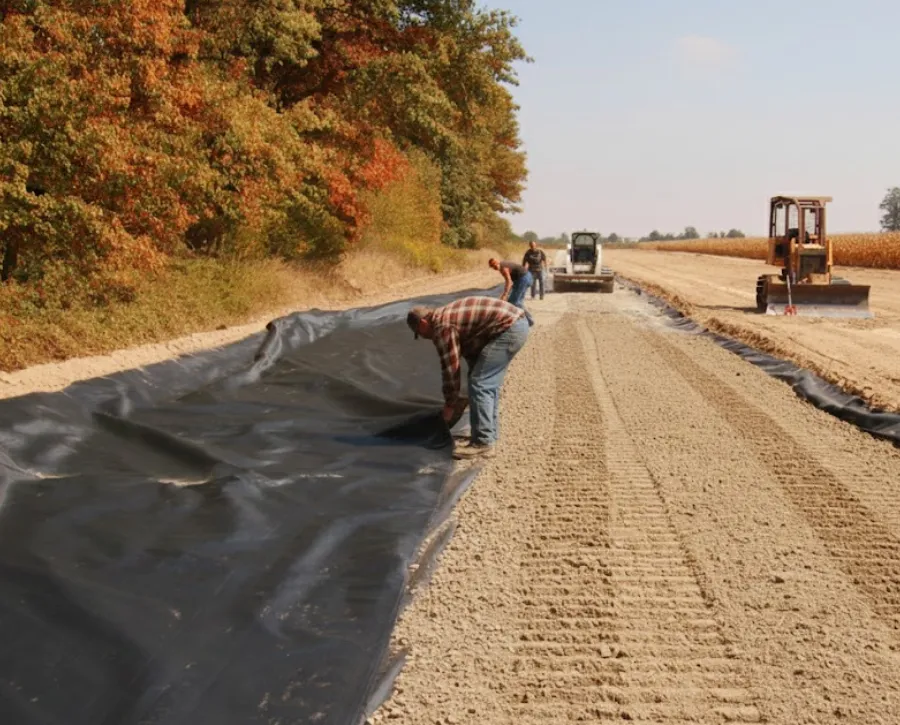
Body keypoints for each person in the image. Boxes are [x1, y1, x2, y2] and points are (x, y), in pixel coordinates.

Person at [407, 296, 530, 459]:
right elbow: (472, 350)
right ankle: (488, 434)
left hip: (509, 328)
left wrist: (450, 404)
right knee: (483, 382)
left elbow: (451, 368)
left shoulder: (442, 326)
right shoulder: (444, 315)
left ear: (423, 323)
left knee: (480, 384)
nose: (424, 338)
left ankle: (483, 442)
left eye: (420, 334)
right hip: (515, 324)